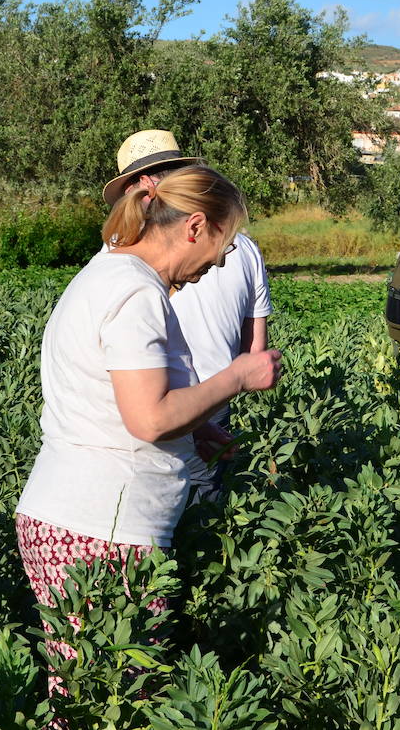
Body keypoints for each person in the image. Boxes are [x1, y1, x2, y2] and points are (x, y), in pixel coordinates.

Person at [15, 166, 281, 691]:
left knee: (85, 691)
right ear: (195, 227)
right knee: (111, 697)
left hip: (76, 516)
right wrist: (237, 376)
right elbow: (149, 418)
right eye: (224, 245)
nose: (222, 262)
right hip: (101, 530)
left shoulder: (107, 274)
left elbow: (113, 400)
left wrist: (194, 430)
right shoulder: (137, 293)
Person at [104, 130, 273, 501]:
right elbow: (256, 347)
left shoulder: (116, 255)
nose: (216, 261)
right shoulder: (243, 247)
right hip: (205, 406)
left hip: (140, 418)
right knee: (202, 526)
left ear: (141, 186)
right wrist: (235, 380)